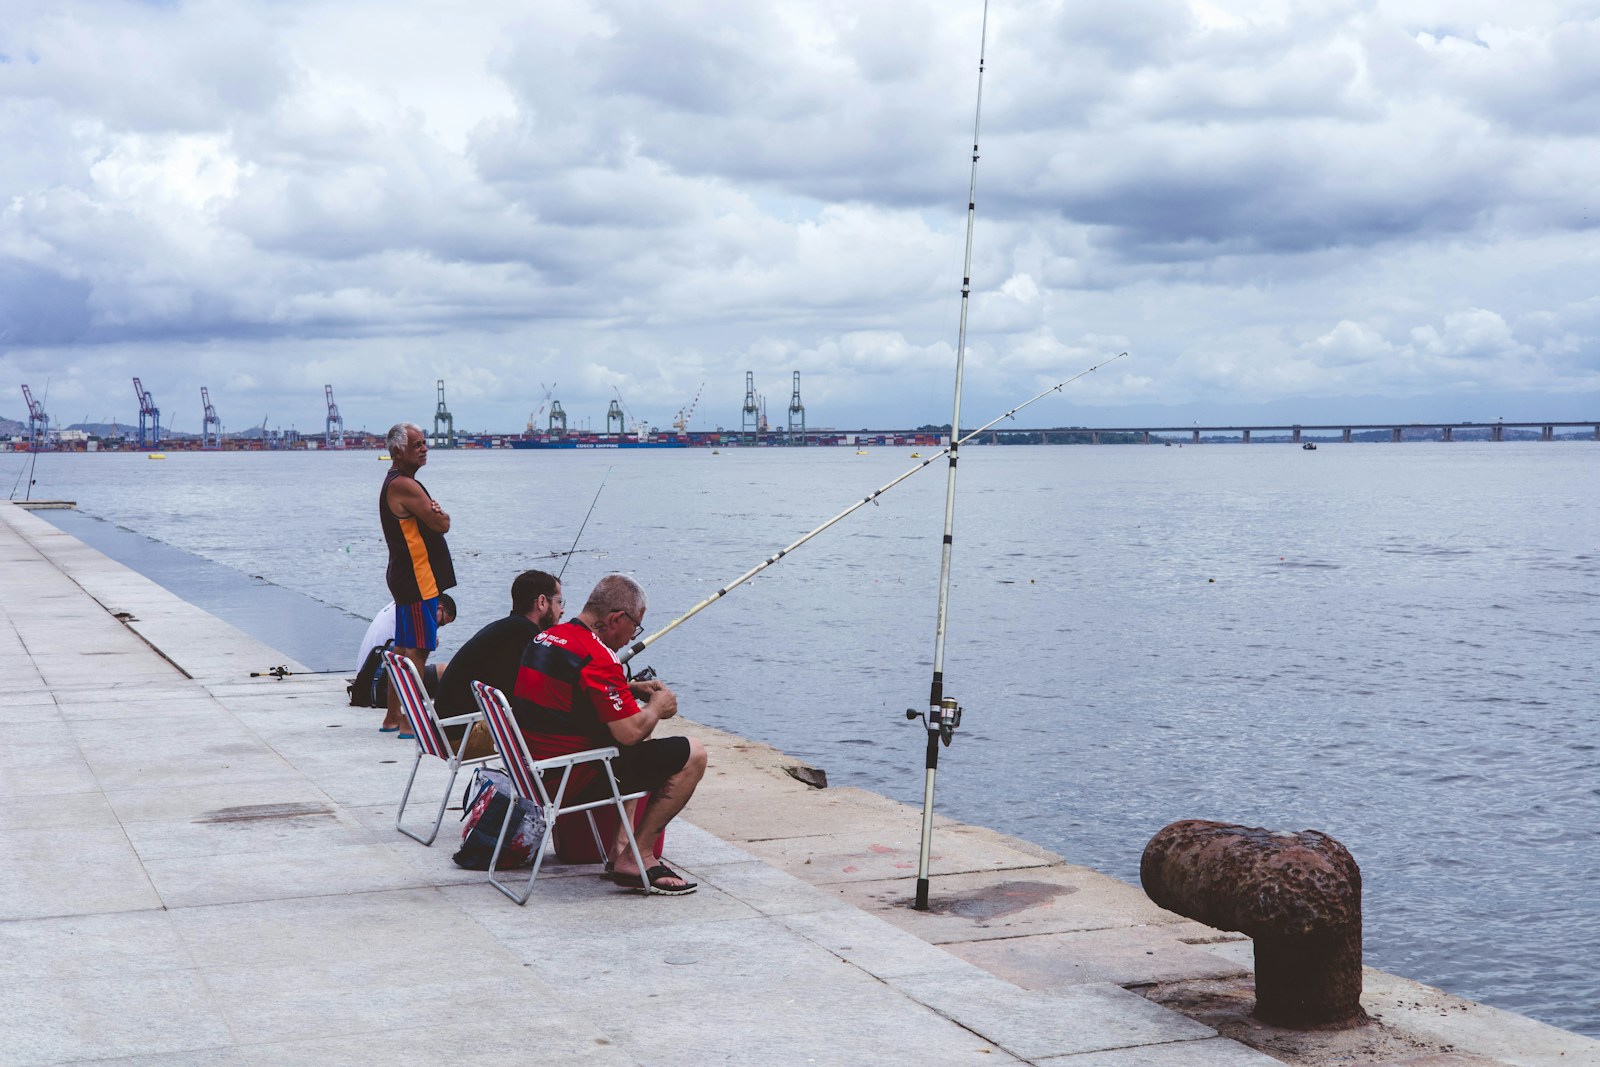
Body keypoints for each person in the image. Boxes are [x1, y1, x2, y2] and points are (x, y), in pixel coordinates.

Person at [512, 573, 707, 895]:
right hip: (570, 779)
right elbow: (629, 734)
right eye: (635, 627)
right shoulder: (598, 656)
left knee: (638, 748)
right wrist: (657, 707)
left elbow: (577, 689)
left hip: (531, 772)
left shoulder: (547, 637)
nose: (633, 637)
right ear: (617, 618)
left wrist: (627, 688)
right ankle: (637, 856)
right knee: (692, 753)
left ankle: (620, 848)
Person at [379, 422, 455, 733]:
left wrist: (434, 511)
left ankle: (392, 716)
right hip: (418, 576)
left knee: (402, 648)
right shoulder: (404, 485)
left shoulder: (398, 482)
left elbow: (433, 518)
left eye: (424, 443)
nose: (424, 449)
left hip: (404, 575)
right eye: (416, 445)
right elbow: (442, 524)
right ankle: (411, 722)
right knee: (417, 651)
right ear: (398, 451)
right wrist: (438, 512)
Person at [434, 570, 562, 717]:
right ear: (541, 602)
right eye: (559, 602)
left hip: (450, 726)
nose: (562, 610)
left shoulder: (508, 628)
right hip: (463, 731)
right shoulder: (524, 633)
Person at [354, 594, 455, 712]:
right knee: (446, 671)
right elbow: (413, 664)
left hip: (366, 676)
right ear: (439, 608)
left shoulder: (399, 604)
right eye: (441, 623)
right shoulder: (416, 614)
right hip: (378, 684)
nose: (437, 627)